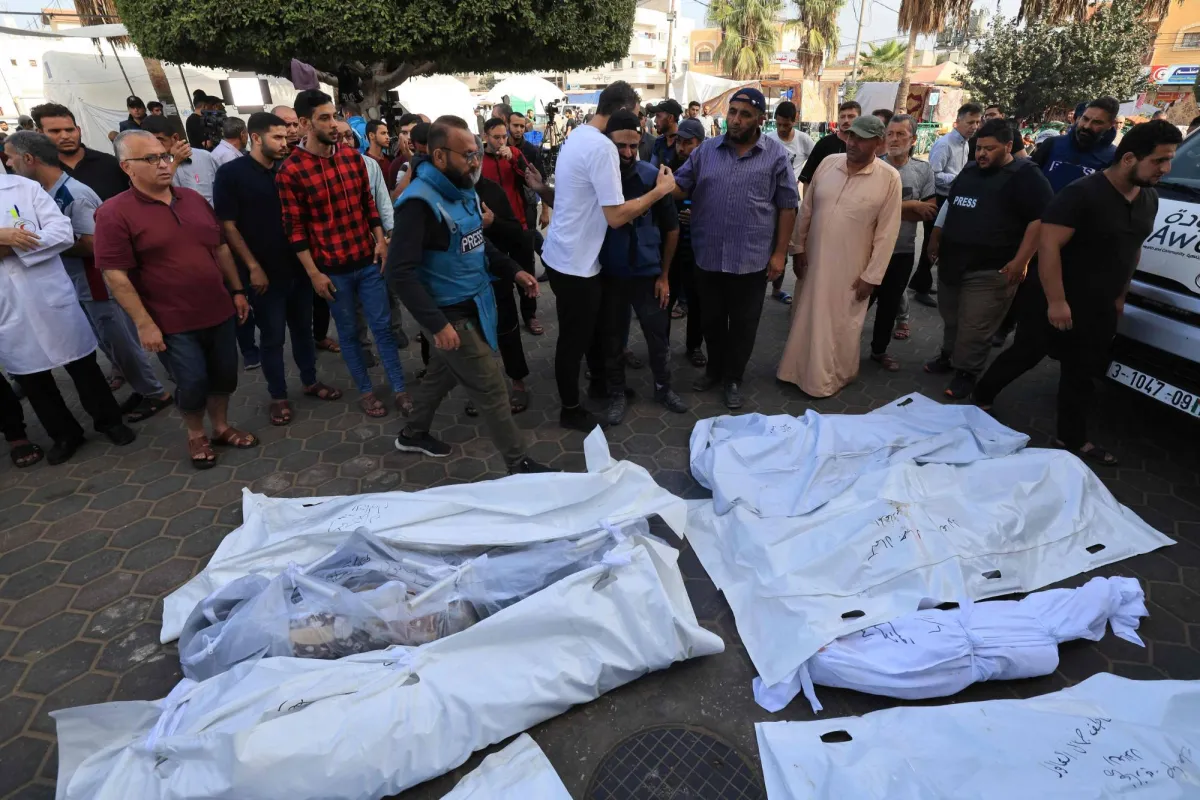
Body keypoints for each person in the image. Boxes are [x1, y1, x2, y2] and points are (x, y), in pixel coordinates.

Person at [974, 120, 1180, 466]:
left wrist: (1120, 296)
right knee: (1026, 354)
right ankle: (982, 395)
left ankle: (1071, 437)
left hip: (1100, 305)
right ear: (1129, 158)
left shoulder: (1148, 198)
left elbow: (1133, 249)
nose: (1166, 168)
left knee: (1082, 372)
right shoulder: (1082, 194)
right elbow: (1049, 246)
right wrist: (1057, 301)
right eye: (1159, 160)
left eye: (1169, 159)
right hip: (1054, 298)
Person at [389, 115, 550, 473]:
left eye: (476, 153)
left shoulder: (463, 189)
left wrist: (514, 270)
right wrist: (437, 325)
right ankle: (519, 466)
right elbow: (398, 273)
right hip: (449, 313)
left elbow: (478, 242)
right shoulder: (418, 203)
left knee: (441, 374)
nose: (475, 162)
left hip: (475, 299)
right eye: (467, 155)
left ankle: (413, 433)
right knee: (492, 387)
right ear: (439, 156)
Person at [96, 130, 256, 468]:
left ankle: (221, 427)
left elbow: (220, 248)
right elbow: (115, 275)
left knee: (224, 375)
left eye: (164, 156)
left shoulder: (192, 199)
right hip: (171, 320)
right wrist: (144, 324)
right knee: (192, 381)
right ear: (127, 167)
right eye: (150, 158)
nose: (163, 164)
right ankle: (196, 434)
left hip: (218, 309)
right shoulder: (114, 212)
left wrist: (237, 290)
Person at [4, 131, 174, 423]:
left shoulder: (73, 193)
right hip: (81, 284)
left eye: (10, 157)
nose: (7, 164)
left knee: (121, 344)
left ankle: (155, 393)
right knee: (111, 345)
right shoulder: (47, 191)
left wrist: (43, 243)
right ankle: (144, 388)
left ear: (28, 158)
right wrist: (44, 241)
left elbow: (95, 244)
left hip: (97, 283)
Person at [539, 80, 676, 431]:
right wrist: (659, 191)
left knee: (591, 333)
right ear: (622, 111)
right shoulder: (601, 147)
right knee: (574, 340)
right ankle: (570, 409)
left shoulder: (578, 136)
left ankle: (600, 386)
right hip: (576, 262)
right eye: (635, 115)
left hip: (565, 254)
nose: (636, 126)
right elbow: (616, 216)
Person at [276, 89, 409, 418]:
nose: (334, 124)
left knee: (383, 328)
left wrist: (380, 241)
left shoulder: (352, 158)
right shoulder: (290, 171)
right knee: (348, 334)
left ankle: (400, 389)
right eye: (324, 118)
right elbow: (295, 230)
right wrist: (314, 274)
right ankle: (366, 392)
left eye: (334, 116)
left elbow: (369, 205)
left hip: (368, 261)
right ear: (305, 123)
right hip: (333, 270)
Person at [0, 157, 136, 464]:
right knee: (33, 380)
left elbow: (61, 232)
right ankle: (64, 434)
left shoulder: (23, 188)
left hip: (47, 296)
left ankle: (110, 422)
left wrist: (14, 245)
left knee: (83, 365)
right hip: (7, 308)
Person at [673, 87, 798, 410]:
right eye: (732, 112)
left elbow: (787, 205)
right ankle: (714, 370)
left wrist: (779, 254)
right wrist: (646, 179)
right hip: (708, 255)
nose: (736, 120)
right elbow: (678, 185)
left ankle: (733, 378)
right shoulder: (706, 151)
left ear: (760, 119)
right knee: (712, 321)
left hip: (751, 259)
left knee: (743, 325)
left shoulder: (775, 155)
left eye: (745, 114)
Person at [215, 111, 343, 426]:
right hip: (264, 274)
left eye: (286, 136)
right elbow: (228, 226)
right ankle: (278, 395)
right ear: (255, 138)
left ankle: (310, 380)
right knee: (272, 338)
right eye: (277, 137)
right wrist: (252, 267)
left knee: (303, 331)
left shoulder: (288, 169)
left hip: (298, 268)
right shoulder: (231, 174)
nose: (284, 143)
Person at [924, 118, 1054, 399]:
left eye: (989, 149)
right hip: (953, 262)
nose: (981, 154)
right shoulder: (970, 170)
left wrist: (1022, 260)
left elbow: (1039, 221)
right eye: (978, 148)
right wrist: (936, 236)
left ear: (1008, 146)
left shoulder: (1026, 175)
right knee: (952, 317)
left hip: (991, 267)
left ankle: (966, 372)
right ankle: (948, 356)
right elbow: (951, 203)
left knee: (976, 325)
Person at [780, 115, 901, 397]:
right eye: (850, 136)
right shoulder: (828, 163)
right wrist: (798, 248)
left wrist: (872, 277)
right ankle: (794, 372)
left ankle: (830, 379)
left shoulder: (889, 178)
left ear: (878, 143)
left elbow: (887, 234)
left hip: (851, 266)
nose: (853, 143)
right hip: (813, 260)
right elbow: (806, 210)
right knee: (805, 316)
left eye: (862, 139)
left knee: (841, 325)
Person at [597, 110, 687, 424]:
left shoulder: (653, 178)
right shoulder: (598, 178)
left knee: (658, 336)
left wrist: (664, 276)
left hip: (648, 275)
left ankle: (664, 388)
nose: (627, 153)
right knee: (612, 338)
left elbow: (672, 229)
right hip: (610, 274)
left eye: (633, 146)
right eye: (620, 146)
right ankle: (616, 393)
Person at [867, 114, 935, 372]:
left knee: (889, 305)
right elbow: (869, 210)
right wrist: (912, 205)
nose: (893, 139)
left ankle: (879, 351)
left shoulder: (922, 170)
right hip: (870, 250)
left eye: (900, 134)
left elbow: (929, 210)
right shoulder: (874, 167)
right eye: (890, 134)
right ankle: (841, 348)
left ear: (913, 139)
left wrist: (893, 208)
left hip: (903, 251)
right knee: (858, 303)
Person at [909, 102, 982, 309]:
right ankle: (922, 288)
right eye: (970, 122)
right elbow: (933, 174)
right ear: (957, 122)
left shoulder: (965, 143)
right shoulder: (945, 144)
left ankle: (920, 280)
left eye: (977, 122)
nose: (974, 127)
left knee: (940, 242)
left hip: (952, 198)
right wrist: (958, 178)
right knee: (932, 242)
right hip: (938, 199)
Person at [666, 118, 707, 368]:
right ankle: (662, 347)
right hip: (670, 250)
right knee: (664, 300)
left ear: (700, 144)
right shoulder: (668, 168)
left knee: (697, 301)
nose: (681, 148)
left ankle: (694, 347)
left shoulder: (709, 170)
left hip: (698, 250)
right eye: (678, 142)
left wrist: (699, 215)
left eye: (688, 143)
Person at [765, 100, 814, 303]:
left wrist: (804, 179)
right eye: (778, 124)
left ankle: (777, 290)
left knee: (784, 246)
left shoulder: (804, 140)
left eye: (786, 124)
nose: (782, 129)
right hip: (769, 200)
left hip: (790, 202)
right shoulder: (768, 139)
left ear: (795, 121)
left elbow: (817, 162)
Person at [32, 103, 128, 201]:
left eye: (70, 130)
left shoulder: (111, 164)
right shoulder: (35, 174)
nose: (65, 136)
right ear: (39, 133)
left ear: (78, 130)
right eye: (55, 131)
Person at [1031, 96, 1119, 194]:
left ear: (1111, 124)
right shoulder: (1052, 144)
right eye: (1085, 119)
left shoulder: (1114, 158)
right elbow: (1028, 179)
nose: (1087, 126)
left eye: (1097, 122)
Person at [140, 114, 219, 206]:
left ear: (175, 138)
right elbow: (156, 193)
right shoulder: (148, 164)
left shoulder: (204, 157)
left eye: (160, 141)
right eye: (149, 143)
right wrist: (174, 162)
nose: (155, 147)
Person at [798, 101, 859, 185]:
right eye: (842, 117)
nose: (846, 120)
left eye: (851, 116)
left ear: (860, 119)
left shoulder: (864, 146)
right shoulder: (824, 143)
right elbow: (807, 179)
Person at [386, 112, 422, 193]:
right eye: (405, 133)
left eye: (413, 132)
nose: (409, 137)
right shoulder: (396, 164)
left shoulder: (433, 159)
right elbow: (394, 197)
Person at [650, 99, 683, 167]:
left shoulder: (683, 143)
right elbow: (652, 168)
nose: (655, 121)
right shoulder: (659, 141)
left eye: (658, 116)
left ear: (670, 118)